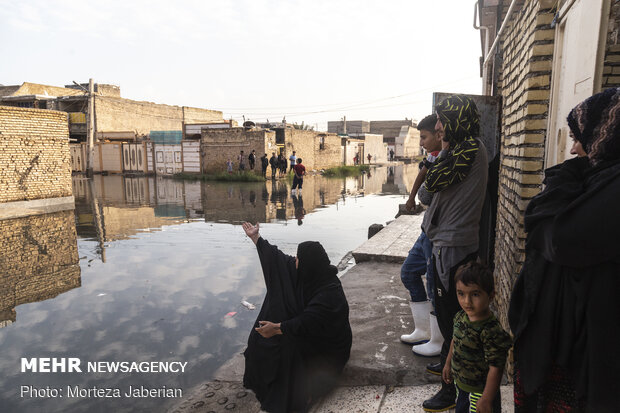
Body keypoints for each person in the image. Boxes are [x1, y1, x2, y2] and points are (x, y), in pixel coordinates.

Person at [509, 88, 620, 412]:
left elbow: (557, 238)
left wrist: (563, 178)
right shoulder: (600, 182)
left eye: (578, 138)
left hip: (592, 357)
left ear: (604, 135)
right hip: (576, 346)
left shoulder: (610, 189)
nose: (572, 149)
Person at [421, 95, 489, 412]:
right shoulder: (463, 151)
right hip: (448, 243)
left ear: (457, 121)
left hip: (453, 246)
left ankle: (450, 391)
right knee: (451, 316)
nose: (438, 126)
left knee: (453, 320)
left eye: (442, 120)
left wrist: (442, 151)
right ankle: (450, 373)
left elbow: (427, 188)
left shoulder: (466, 153)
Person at [242, 222, 352, 413]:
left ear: (308, 264)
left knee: (286, 350)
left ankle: (301, 394)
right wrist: (256, 238)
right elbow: (278, 260)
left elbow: (306, 322)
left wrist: (276, 328)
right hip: (308, 335)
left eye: (299, 258)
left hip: (328, 352)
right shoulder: (313, 272)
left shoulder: (329, 293)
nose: (295, 261)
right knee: (261, 343)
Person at [399, 115, 443, 356]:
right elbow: (422, 174)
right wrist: (410, 196)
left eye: (424, 137)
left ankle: (437, 341)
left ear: (439, 134)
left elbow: (429, 193)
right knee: (408, 272)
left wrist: (420, 196)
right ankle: (423, 329)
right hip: (427, 228)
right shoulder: (433, 156)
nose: (422, 142)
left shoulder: (448, 157)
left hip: (438, 232)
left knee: (435, 285)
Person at [442, 262, 511, 413]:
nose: (467, 301)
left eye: (475, 294)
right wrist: (448, 364)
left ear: (491, 295)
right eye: (461, 293)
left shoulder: (491, 331)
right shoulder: (460, 317)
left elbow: (496, 368)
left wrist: (486, 399)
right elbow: (455, 340)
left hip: (480, 393)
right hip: (461, 386)